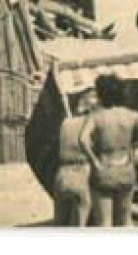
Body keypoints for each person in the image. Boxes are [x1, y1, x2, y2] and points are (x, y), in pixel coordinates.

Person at [85, 74, 138, 227]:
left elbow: (82, 139)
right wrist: (135, 146)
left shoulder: (96, 116)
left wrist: (93, 160)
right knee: (125, 221)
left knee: (104, 223)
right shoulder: (131, 115)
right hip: (126, 169)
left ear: (101, 94)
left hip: (104, 169)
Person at [52, 92, 94, 226]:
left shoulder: (65, 123)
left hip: (62, 175)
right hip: (81, 173)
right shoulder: (90, 124)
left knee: (60, 224)